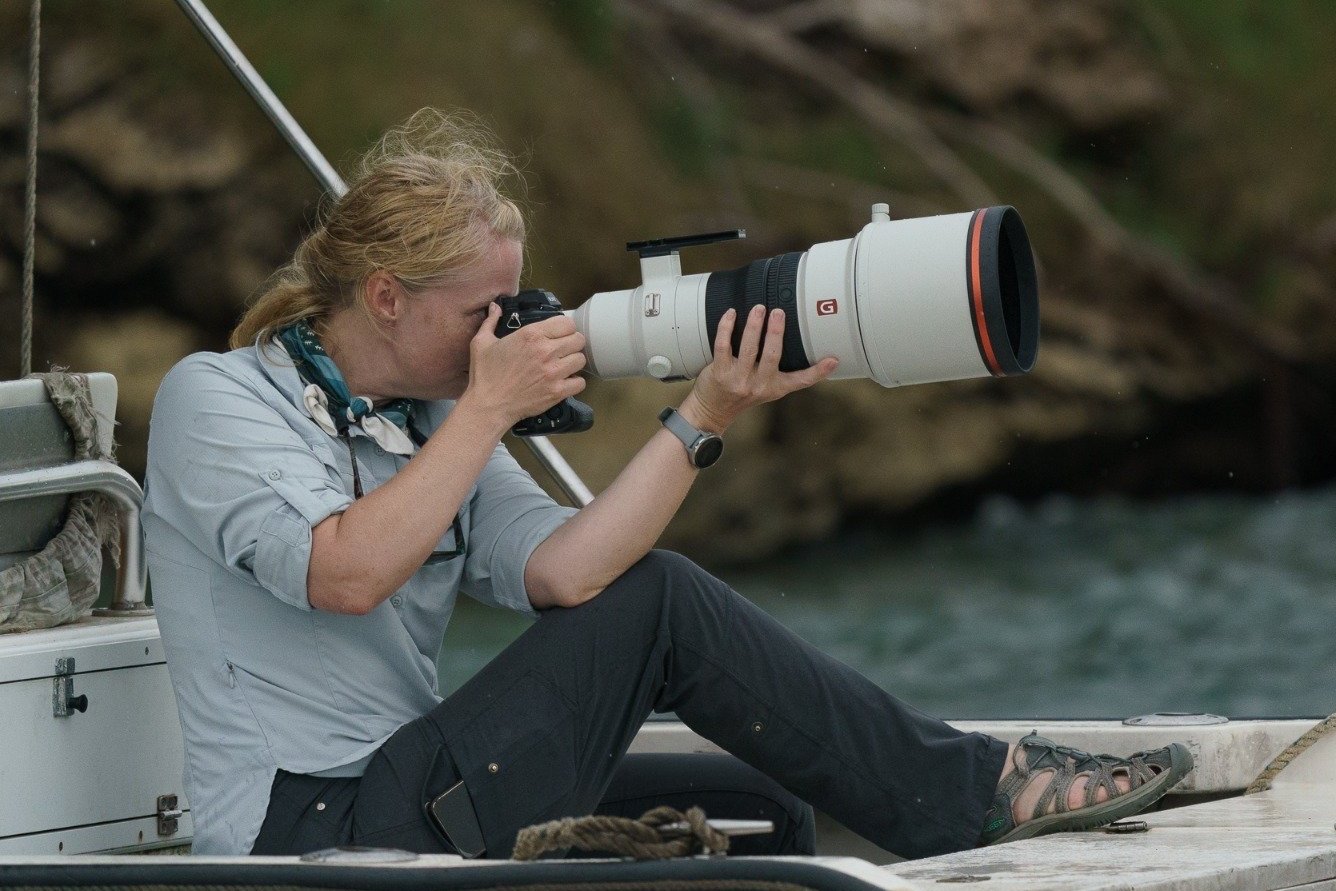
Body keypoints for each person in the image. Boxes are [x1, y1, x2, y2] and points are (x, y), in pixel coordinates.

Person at [142, 109, 1192, 859]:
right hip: (309, 833)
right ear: (384, 298)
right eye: (483, 311)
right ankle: (979, 794)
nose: (509, 331)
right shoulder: (219, 401)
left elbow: (567, 574)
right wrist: (486, 410)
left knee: (764, 811)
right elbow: (348, 574)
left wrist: (704, 415)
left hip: (410, 788)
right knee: (668, 602)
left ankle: (953, 793)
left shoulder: (429, 424)